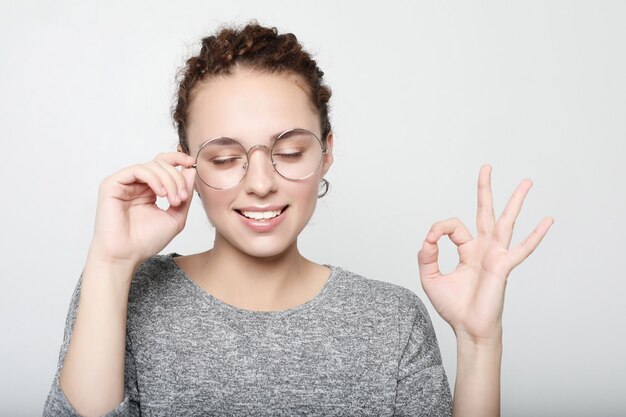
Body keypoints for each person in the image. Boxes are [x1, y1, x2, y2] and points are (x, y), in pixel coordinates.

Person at [43, 22, 554, 417]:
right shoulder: (121, 293)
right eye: (224, 158)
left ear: (326, 153)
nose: (260, 181)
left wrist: (480, 341)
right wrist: (110, 263)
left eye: (289, 151)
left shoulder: (392, 321)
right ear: (187, 164)